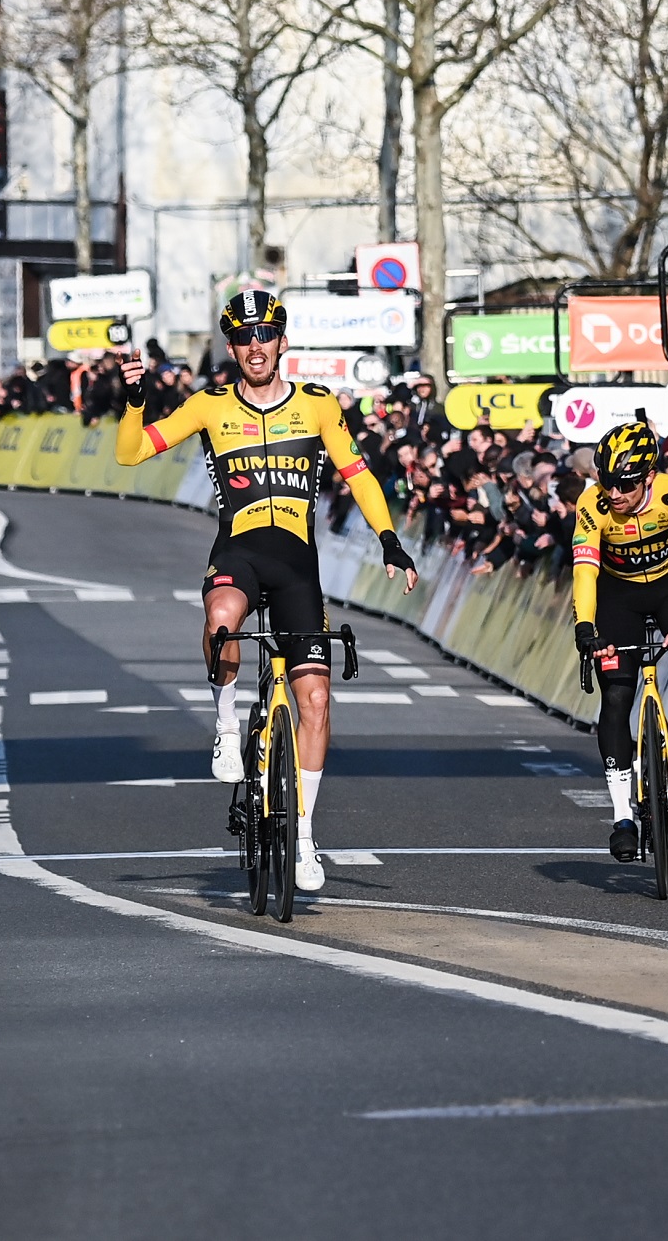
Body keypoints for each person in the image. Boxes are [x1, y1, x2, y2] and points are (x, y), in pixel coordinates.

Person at [115, 290, 417, 894]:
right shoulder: (209, 405)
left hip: (297, 564)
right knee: (222, 616)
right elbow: (130, 453)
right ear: (231, 348)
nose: (256, 345)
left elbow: (360, 476)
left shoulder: (319, 406)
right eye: (244, 337)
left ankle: (303, 836)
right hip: (240, 553)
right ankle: (227, 723)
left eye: (267, 334)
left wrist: (389, 539)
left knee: (317, 701)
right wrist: (134, 401)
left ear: (283, 341)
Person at [570, 419, 668, 864]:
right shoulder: (591, 504)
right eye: (607, 482)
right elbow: (585, 571)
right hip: (618, 597)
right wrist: (586, 626)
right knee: (617, 697)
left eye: (626, 485)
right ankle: (622, 814)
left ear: (650, 477)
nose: (614, 493)